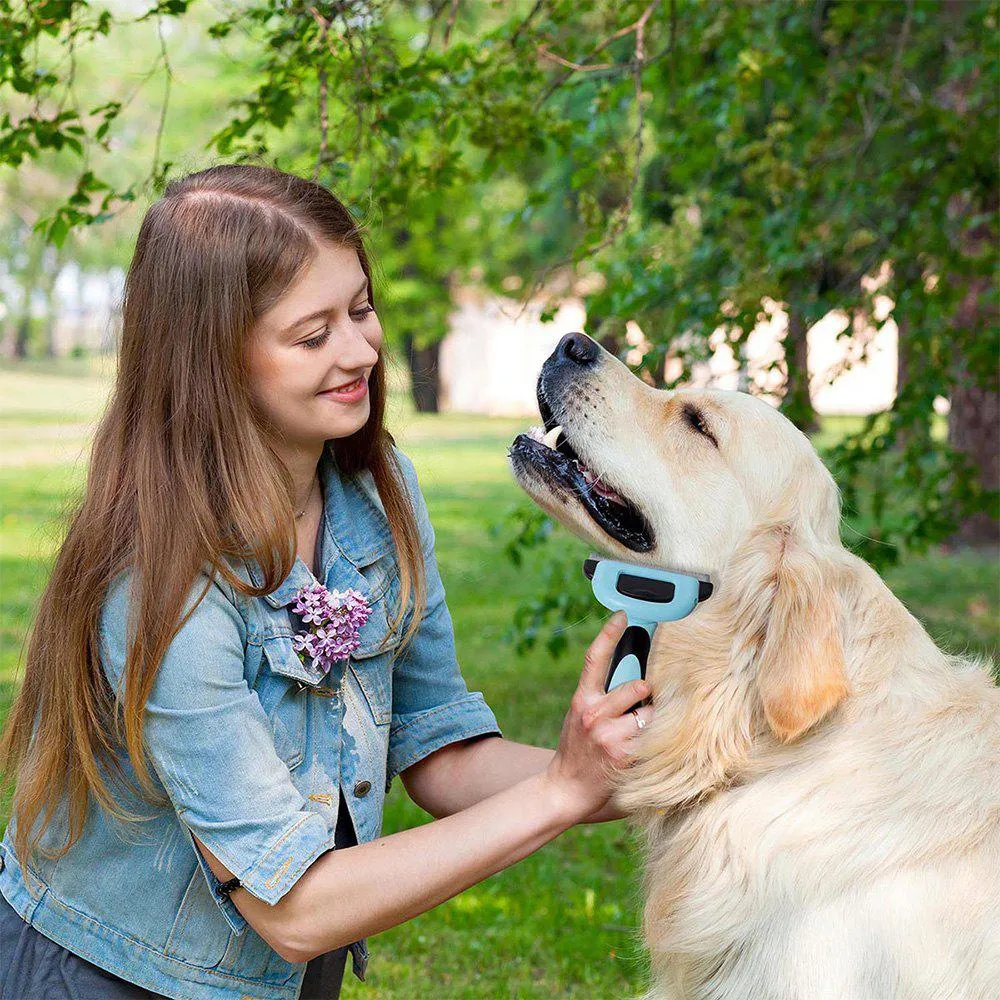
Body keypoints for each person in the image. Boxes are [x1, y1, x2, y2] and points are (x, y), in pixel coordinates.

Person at [0, 164, 654, 1000]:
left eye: (361, 308)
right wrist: (562, 792)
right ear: (214, 361)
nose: (360, 350)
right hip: (115, 975)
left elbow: (443, 754)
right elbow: (295, 907)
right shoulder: (160, 584)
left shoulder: (378, 494)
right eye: (312, 336)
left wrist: (659, 773)